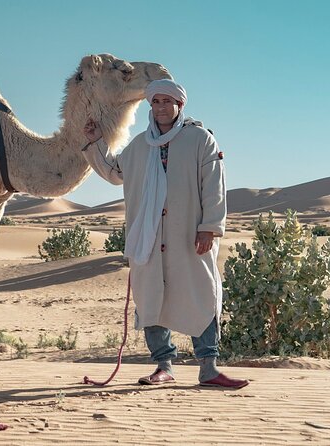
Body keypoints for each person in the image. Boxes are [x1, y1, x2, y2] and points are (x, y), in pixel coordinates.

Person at [82, 79, 249, 389]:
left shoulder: (200, 140)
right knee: (151, 302)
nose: (160, 107)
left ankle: (208, 368)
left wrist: (210, 228)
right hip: (148, 238)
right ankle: (163, 365)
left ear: (179, 105)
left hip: (190, 237)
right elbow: (115, 172)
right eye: (155, 101)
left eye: (166, 101)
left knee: (203, 295)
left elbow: (214, 187)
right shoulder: (139, 145)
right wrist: (95, 143)